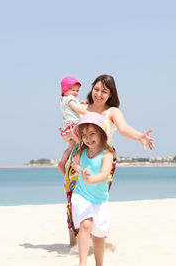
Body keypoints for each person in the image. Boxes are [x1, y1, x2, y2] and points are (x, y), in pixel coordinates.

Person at [64, 74, 155, 246]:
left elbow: (123, 128)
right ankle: (74, 246)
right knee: (72, 199)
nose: (98, 94)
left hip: (103, 158)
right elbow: (68, 128)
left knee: (96, 199)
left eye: (104, 91)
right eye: (96, 89)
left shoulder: (112, 112)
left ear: (111, 94)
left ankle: (96, 241)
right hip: (79, 155)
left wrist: (139, 137)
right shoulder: (82, 107)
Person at [70, 112, 115, 266]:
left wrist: (90, 179)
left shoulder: (107, 154)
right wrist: (78, 169)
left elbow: (104, 174)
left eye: (92, 134)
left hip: (100, 200)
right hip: (81, 195)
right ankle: (83, 263)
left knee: (99, 237)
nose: (88, 138)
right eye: (84, 135)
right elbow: (76, 165)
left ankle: (99, 264)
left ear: (101, 133)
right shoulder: (81, 152)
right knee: (86, 224)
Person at [58, 76, 89, 176]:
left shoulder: (64, 100)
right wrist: (88, 113)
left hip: (66, 129)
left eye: (77, 90)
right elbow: (77, 109)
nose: (75, 92)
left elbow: (72, 108)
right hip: (74, 126)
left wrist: (81, 103)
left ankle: (62, 163)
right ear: (65, 90)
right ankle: (76, 163)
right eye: (73, 90)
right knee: (82, 144)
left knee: (70, 148)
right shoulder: (70, 99)